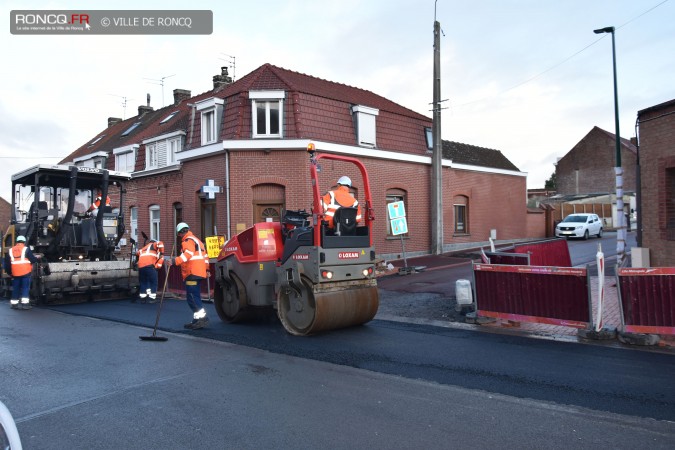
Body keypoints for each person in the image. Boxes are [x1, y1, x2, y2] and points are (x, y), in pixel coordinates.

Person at [165, 223, 209, 329]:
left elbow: (187, 255)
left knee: (192, 297)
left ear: (180, 233)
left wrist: (174, 261)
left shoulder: (187, 241)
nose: (179, 236)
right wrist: (207, 269)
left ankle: (202, 319)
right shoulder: (197, 241)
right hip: (199, 273)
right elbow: (205, 257)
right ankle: (196, 320)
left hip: (192, 273)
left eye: (179, 234)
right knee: (194, 296)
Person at [5, 236, 38, 310]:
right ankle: (25, 304)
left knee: (16, 288)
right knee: (25, 288)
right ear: (24, 242)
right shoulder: (26, 249)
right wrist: (37, 258)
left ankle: (14, 304)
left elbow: (7, 264)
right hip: (25, 273)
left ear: (17, 241)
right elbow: (32, 260)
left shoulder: (11, 250)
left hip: (15, 273)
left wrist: (10, 273)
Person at [135, 239, 165, 304]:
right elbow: (160, 243)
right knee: (154, 282)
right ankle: (152, 299)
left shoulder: (143, 248)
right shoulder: (154, 245)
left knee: (143, 282)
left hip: (141, 267)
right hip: (150, 266)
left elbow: (137, 253)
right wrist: (162, 253)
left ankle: (143, 299)